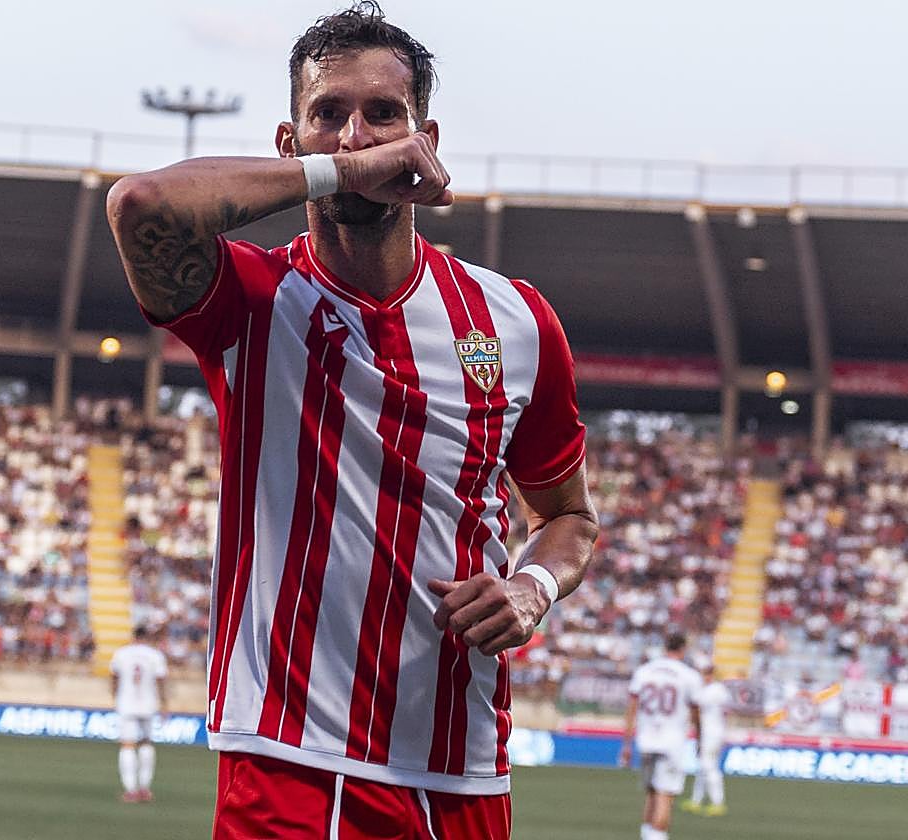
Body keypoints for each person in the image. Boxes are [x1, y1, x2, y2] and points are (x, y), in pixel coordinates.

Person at [107, 3, 598, 836]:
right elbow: (144, 204)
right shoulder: (251, 301)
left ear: (426, 136)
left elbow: (571, 518)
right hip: (288, 763)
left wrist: (531, 585)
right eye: (328, 113)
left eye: (383, 114)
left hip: (463, 770)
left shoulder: (515, 320)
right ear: (288, 145)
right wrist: (344, 171)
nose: (356, 133)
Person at [620, 633, 703, 840]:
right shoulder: (689, 676)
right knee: (665, 796)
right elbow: (696, 713)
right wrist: (700, 739)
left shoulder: (645, 672)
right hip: (672, 741)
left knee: (651, 792)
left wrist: (627, 745)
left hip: (646, 738)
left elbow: (631, 709)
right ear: (683, 649)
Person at [110, 624, 169, 803]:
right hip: (148, 703)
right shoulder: (155, 655)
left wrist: (114, 695)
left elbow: (114, 676)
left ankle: (130, 790)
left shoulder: (122, 653)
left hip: (126, 703)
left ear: (134, 636)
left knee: (127, 745)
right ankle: (145, 788)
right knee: (146, 743)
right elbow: (161, 680)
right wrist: (164, 703)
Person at [682, 663, 728, 816]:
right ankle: (696, 800)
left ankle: (718, 802)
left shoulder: (712, 691)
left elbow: (695, 705)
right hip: (712, 732)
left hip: (711, 733)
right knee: (702, 767)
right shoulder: (719, 690)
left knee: (709, 767)